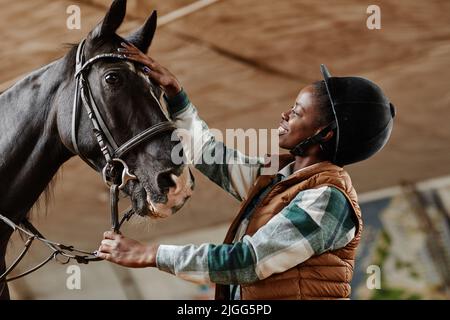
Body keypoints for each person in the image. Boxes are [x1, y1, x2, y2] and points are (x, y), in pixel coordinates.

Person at [96, 42, 396, 300]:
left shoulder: (328, 200)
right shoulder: (279, 176)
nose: (285, 114)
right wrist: (175, 93)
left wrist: (150, 254)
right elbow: (208, 154)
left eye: (297, 111)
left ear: (324, 134)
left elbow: (247, 261)